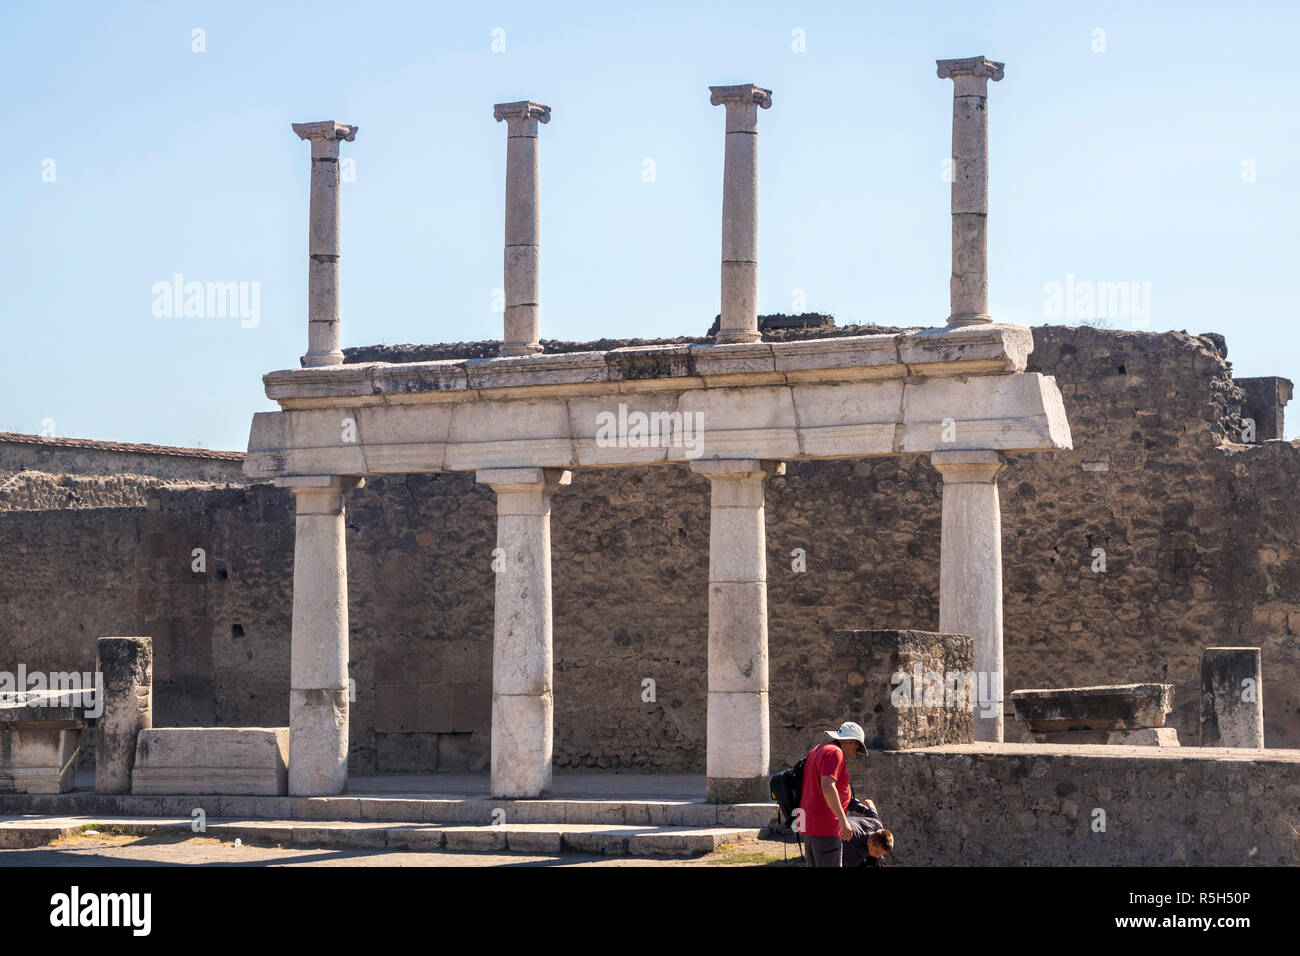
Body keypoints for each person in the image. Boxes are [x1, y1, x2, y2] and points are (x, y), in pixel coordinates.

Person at [797, 720, 867, 867]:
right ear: (851, 741)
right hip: (826, 826)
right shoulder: (835, 753)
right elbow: (828, 787)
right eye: (857, 747)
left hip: (810, 824)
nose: (855, 753)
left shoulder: (818, 749)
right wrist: (842, 819)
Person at [841, 798, 895, 867]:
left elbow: (869, 802)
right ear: (870, 841)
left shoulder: (877, 824)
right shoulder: (855, 850)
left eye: (881, 853)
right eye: (876, 852)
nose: (878, 856)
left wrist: (859, 807)